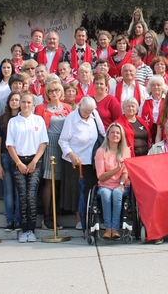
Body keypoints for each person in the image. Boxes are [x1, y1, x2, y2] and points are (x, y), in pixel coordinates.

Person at [6, 92, 48, 242]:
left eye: (28, 102)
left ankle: (32, 229)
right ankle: (24, 230)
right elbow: (10, 144)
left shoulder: (38, 120)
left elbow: (43, 142)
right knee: (22, 196)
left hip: (34, 161)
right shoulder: (13, 122)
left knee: (31, 196)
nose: (25, 105)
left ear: (33, 104)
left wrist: (34, 161)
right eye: (23, 102)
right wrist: (18, 163)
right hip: (18, 161)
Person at [58, 96, 106, 229]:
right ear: (79, 107)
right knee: (78, 191)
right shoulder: (71, 118)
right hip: (75, 160)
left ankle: (94, 218)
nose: (87, 114)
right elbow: (63, 141)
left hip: (91, 159)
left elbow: (102, 133)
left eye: (90, 112)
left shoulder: (94, 114)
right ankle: (79, 219)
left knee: (91, 189)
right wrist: (72, 155)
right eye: (85, 112)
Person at [34, 81, 72, 230]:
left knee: (60, 182)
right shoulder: (41, 108)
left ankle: (58, 213)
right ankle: (47, 218)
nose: (54, 93)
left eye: (56, 90)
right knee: (49, 181)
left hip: (65, 146)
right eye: (51, 91)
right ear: (47, 94)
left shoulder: (68, 108)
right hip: (49, 145)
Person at [95, 122, 131, 239]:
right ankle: (108, 229)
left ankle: (115, 229)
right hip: (105, 185)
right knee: (106, 194)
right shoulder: (101, 151)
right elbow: (101, 176)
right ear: (108, 135)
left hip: (121, 184)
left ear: (121, 136)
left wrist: (121, 184)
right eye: (112, 132)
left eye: (117, 133)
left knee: (117, 193)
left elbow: (126, 172)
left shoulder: (125, 151)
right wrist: (117, 169)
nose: (115, 135)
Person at [0, 92, 22, 232]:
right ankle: (10, 221)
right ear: (8, 102)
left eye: (17, 100)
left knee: (19, 191)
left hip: (21, 158)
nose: (15, 102)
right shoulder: (1, 120)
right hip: (5, 157)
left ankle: (18, 221)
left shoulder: (24, 119)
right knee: (9, 191)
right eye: (13, 100)